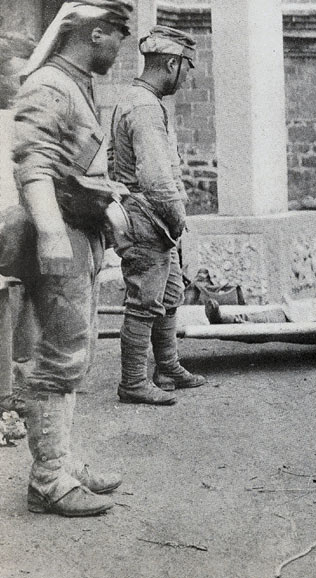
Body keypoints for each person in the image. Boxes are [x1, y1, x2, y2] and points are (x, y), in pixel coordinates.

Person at [10, 0, 134, 517]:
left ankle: (60, 459)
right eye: (116, 38)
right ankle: (47, 480)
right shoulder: (52, 84)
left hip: (78, 233)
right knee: (59, 358)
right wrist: (54, 233)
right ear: (94, 31)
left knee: (73, 353)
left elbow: (74, 166)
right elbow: (32, 161)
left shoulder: (75, 82)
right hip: (57, 236)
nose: (119, 51)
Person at [108, 26, 207, 406]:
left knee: (169, 292)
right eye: (187, 68)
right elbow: (156, 178)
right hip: (149, 216)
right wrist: (178, 219)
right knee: (145, 300)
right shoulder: (146, 106)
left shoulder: (136, 99)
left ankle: (167, 366)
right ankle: (133, 382)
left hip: (147, 215)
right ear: (171, 63)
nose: (187, 77)